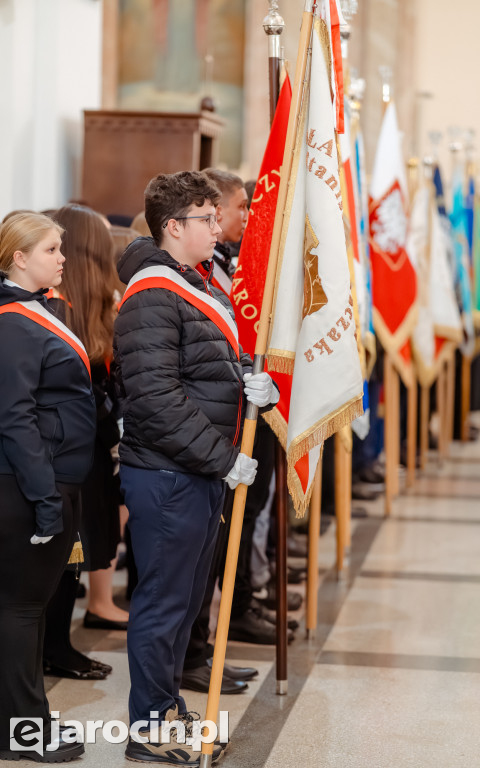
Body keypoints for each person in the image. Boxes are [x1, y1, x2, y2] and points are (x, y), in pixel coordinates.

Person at [114, 170, 278, 765]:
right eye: (206, 219)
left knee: (186, 602)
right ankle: (147, 727)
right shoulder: (154, 291)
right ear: (173, 227)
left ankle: (167, 707)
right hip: (168, 474)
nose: (218, 228)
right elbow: (155, 399)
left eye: (216, 216)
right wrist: (223, 457)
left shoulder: (195, 280)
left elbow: (204, 369)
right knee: (163, 603)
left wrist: (249, 387)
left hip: (197, 471)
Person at [0, 212, 96, 761]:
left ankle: (26, 718)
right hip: (29, 484)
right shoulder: (14, 322)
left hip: (52, 477)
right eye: (52, 250)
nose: (63, 259)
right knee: (20, 608)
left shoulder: (37, 311)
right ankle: (24, 733)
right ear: (19, 257)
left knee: (25, 608)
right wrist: (43, 498)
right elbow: (14, 417)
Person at [42, 206, 127, 677]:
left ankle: (59, 645)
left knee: (75, 557)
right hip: (69, 456)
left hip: (93, 453)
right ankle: (53, 649)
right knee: (61, 559)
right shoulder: (58, 310)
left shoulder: (91, 307)